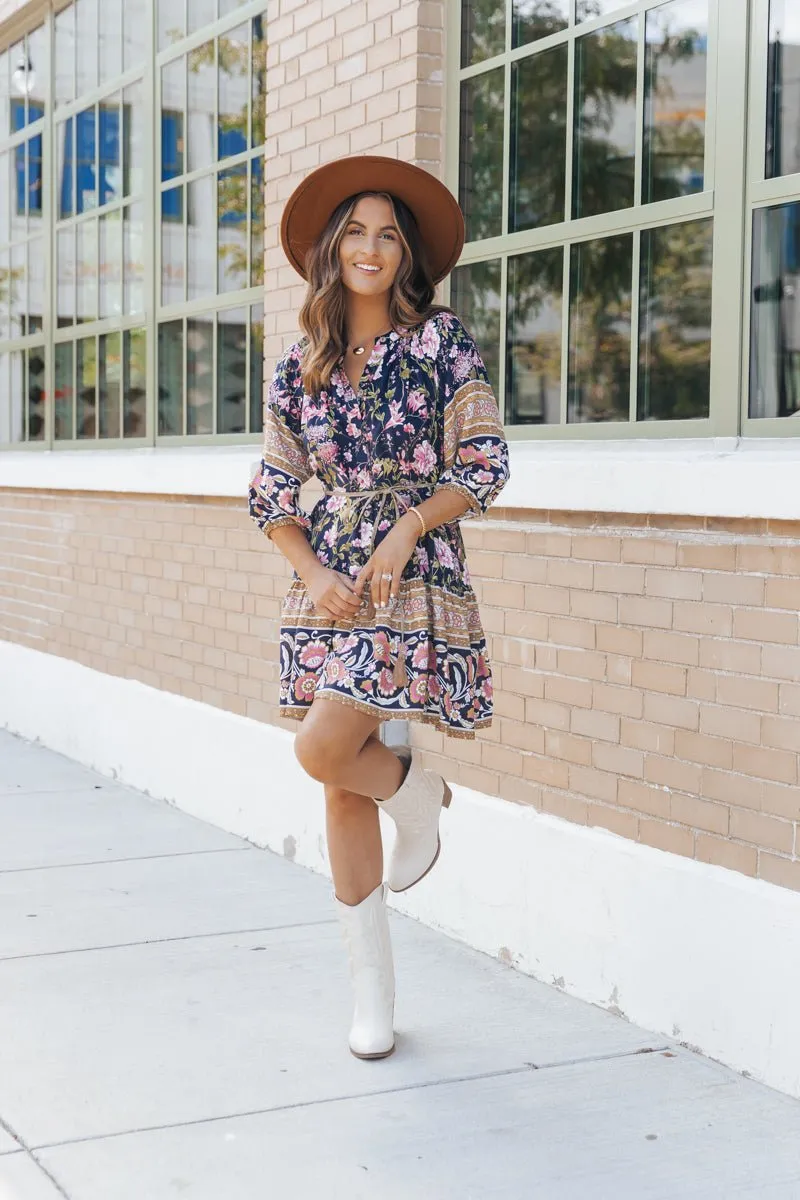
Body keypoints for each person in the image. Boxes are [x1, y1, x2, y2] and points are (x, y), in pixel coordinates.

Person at [249, 155, 509, 1060]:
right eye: (355, 232)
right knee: (336, 774)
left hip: (414, 580)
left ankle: (420, 794)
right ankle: (373, 994)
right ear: (332, 249)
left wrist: (403, 530)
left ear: (407, 254)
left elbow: (484, 466)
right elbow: (271, 488)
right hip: (329, 590)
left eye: (387, 234)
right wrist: (313, 571)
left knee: (322, 745)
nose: (370, 248)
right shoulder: (301, 363)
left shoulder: (442, 343)